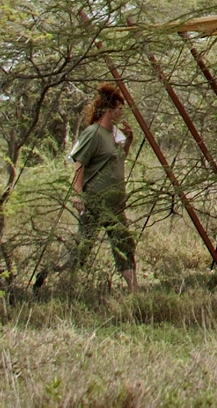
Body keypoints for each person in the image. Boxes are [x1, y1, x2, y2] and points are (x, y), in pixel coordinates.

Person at [66, 84, 139, 292]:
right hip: (97, 201)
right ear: (109, 110)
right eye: (118, 109)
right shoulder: (93, 133)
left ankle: (134, 289)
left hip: (114, 204)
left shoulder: (114, 134)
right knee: (84, 245)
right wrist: (78, 195)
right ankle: (66, 279)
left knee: (123, 244)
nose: (120, 114)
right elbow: (79, 162)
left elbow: (118, 159)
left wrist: (129, 141)